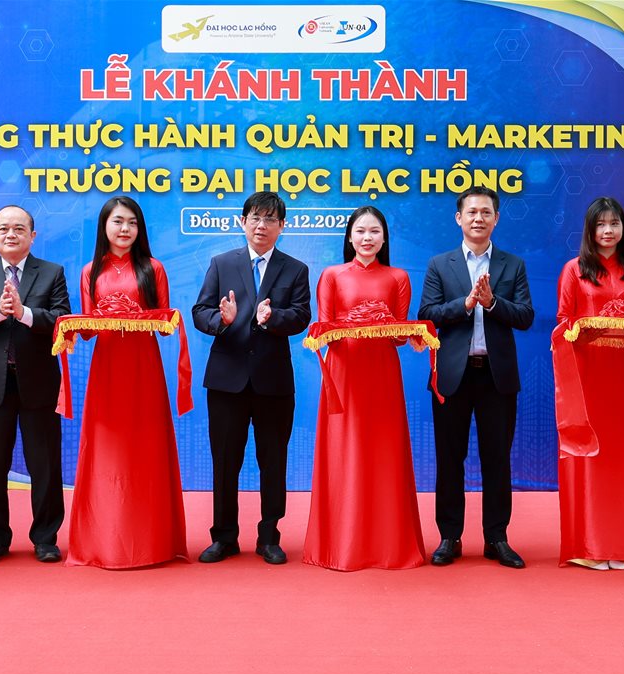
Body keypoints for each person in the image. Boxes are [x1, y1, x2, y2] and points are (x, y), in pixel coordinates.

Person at [67, 196, 187, 568]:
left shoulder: (153, 268)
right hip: (106, 370)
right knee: (107, 449)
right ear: (104, 226)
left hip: (144, 368)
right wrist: (72, 326)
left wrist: (154, 317)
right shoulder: (90, 271)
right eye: (118, 221)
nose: (125, 229)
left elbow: (164, 326)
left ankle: (153, 542)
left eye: (132, 222)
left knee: (146, 447)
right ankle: (104, 542)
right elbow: (89, 329)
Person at [418, 185, 534, 569]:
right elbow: (427, 314)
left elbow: (526, 316)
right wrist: (466, 304)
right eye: (471, 212)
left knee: (497, 460)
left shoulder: (512, 265)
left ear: (496, 219)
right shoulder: (440, 264)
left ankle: (496, 538)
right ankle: (449, 536)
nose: (478, 218)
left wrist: (492, 302)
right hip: (453, 376)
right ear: (459, 218)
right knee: (450, 459)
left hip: (497, 378)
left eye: (486, 212)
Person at [191, 191, 311, 565]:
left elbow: (302, 315)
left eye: (270, 219)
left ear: (282, 226)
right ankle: (224, 537)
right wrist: (222, 320)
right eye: (255, 218)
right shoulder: (221, 263)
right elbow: (200, 311)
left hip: (273, 382)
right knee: (225, 461)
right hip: (226, 381)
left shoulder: (295, 269)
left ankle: (269, 537)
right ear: (242, 222)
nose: (262, 225)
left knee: (273, 461)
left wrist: (273, 318)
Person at [303, 206, 425, 571]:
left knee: (385, 453)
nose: (367, 238)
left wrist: (412, 334)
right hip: (343, 374)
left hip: (383, 374)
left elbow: (399, 336)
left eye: (374, 231)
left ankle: (390, 545)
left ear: (384, 238)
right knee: (345, 451)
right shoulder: (332, 275)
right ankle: (341, 545)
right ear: (349, 237)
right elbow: (324, 327)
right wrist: (350, 324)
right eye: (360, 231)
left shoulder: (398, 277)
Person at [0, 205, 70, 564]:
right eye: (3, 228)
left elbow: (63, 321)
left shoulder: (52, 272)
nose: (11, 234)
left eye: (19, 228)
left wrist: (24, 313)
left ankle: (45, 538)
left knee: (44, 466)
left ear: (32, 236)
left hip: (39, 383)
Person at [554, 197, 624, 570]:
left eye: (614, 223)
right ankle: (590, 545)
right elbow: (563, 322)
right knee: (591, 455)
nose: (608, 230)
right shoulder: (574, 269)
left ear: (623, 228)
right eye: (601, 224)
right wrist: (588, 329)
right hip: (588, 371)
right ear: (590, 230)